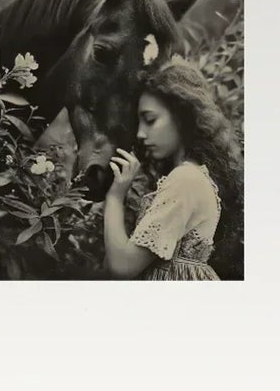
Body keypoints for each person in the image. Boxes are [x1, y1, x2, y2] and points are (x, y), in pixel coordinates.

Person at [101, 56, 242, 281]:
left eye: (150, 120)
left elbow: (122, 267)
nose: (140, 134)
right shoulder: (190, 176)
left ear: (182, 117)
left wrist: (115, 197)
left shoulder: (186, 179)